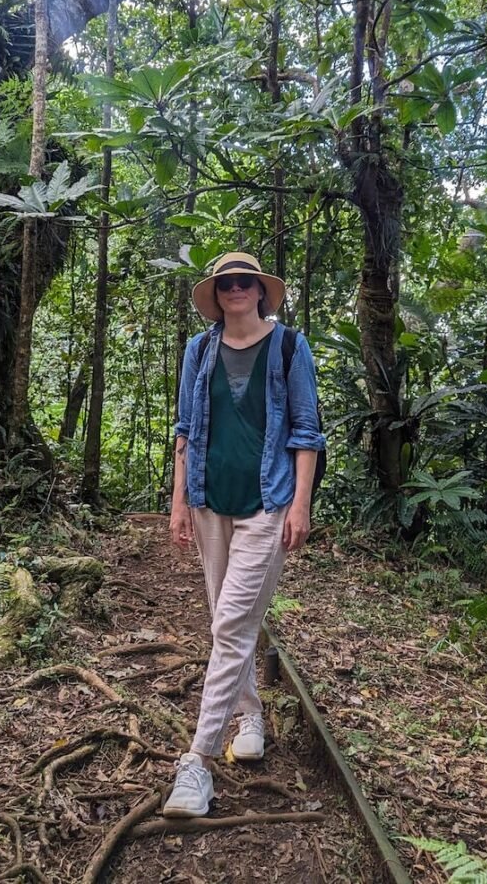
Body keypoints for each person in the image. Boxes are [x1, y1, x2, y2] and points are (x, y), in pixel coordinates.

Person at [164, 251, 325, 818]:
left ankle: (198, 763)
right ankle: (249, 715)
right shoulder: (199, 350)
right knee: (226, 621)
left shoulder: (288, 347)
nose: (235, 288)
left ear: (260, 290)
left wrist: (300, 505)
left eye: (245, 281)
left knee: (231, 622)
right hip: (211, 502)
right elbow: (185, 428)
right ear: (217, 294)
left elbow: (306, 430)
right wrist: (179, 500)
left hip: (267, 503)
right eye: (226, 282)